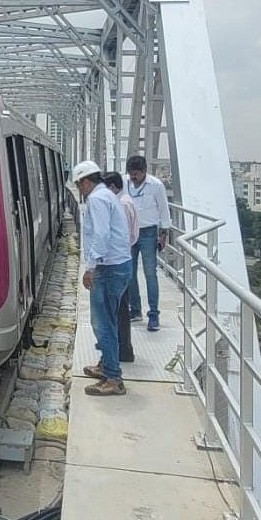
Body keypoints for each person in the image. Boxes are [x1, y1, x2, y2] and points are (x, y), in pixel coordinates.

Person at [71, 160, 133, 396]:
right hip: (119, 265)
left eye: (79, 185)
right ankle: (107, 365)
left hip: (107, 268)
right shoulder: (107, 194)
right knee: (110, 319)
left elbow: (101, 234)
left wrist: (90, 268)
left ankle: (113, 378)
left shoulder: (96, 199)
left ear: (86, 181)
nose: (79, 190)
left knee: (102, 323)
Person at [124, 155, 172, 332]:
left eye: (136, 174)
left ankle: (154, 315)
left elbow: (164, 210)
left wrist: (163, 233)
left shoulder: (156, 186)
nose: (133, 178)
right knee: (129, 272)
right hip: (129, 232)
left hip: (148, 233)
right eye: (131, 174)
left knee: (150, 273)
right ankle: (135, 310)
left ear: (144, 171)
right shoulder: (125, 182)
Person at [103, 172, 139, 358]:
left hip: (119, 259)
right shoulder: (125, 201)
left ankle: (123, 349)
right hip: (123, 256)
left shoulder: (122, 204)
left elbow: (122, 235)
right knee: (120, 306)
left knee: (119, 307)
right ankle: (122, 347)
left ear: (113, 187)